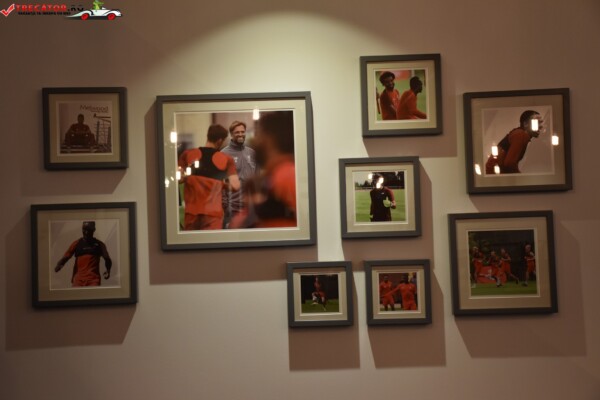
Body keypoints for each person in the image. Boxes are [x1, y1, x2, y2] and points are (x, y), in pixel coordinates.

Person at [229, 111, 296, 228]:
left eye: (258, 134)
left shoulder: (286, 176)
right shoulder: (275, 175)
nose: (255, 140)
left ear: (268, 138)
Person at [178, 124, 240, 230]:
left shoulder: (187, 154)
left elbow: (178, 178)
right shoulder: (226, 159)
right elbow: (235, 186)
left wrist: (190, 178)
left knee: (190, 240)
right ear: (219, 141)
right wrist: (221, 184)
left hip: (191, 212)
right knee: (212, 240)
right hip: (213, 214)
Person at [221, 121, 257, 228]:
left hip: (250, 208)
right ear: (231, 134)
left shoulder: (252, 153)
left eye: (242, 132)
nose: (240, 134)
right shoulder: (223, 154)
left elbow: (257, 179)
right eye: (237, 132)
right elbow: (220, 182)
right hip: (232, 208)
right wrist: (225, 206)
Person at [54, 221, 112, 287]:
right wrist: (59, 265)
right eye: (84, 229)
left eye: (89, 230)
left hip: (93, 281)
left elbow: (107, 259)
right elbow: (66, 257)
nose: (86, 232)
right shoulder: (76, 244)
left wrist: (108, 270)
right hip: (78, 281)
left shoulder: (100, 245)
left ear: (94, 230)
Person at [485, 110, 543, 174]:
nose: (541, 126)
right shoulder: (521, 134)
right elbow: (509, 163)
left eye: (541, 123)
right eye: (536, 123)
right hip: (496, 174)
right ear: (525, 124)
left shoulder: (519, 133)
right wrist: (521, 177)